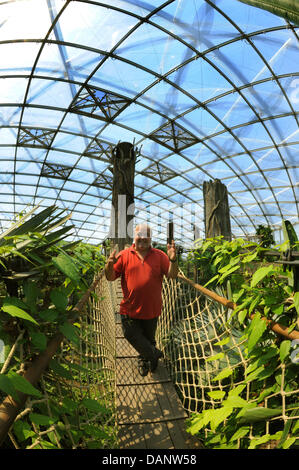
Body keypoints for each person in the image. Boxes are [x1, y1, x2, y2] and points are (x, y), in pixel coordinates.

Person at [105, 224, 178, 376]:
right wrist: (109, 265)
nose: (143, 239)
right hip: (129, 308)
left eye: (147, 236)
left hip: (152, 309)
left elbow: (172, 275)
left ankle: (148, 359)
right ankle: (154, 354)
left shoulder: (159, 255)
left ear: (150, 239)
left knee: (148, 339)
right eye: (140, 235)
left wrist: (173, 259)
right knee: (130, 334)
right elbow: (110, 277)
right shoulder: (125, 255)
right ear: (135, 236)